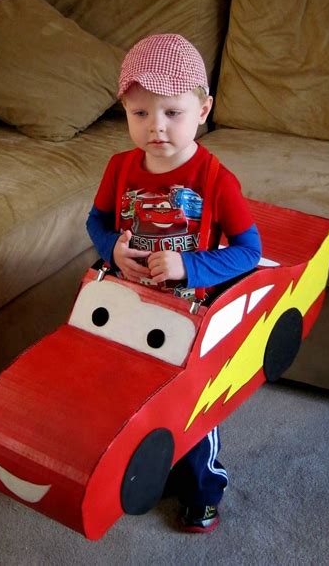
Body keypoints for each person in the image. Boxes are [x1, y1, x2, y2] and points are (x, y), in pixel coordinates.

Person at [87, 33, 261, 533]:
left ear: (203, 109)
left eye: (172, 113)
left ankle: (204, 488)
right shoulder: (119, 167)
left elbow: (250, 251)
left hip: (190, 317)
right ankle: (153, 469)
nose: (155, 127)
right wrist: (111, 248)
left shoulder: (215, 178)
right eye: (140, 113)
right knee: (133, 397)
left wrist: (191, 268)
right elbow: (97, 223)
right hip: (129, 305)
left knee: (190, 407)